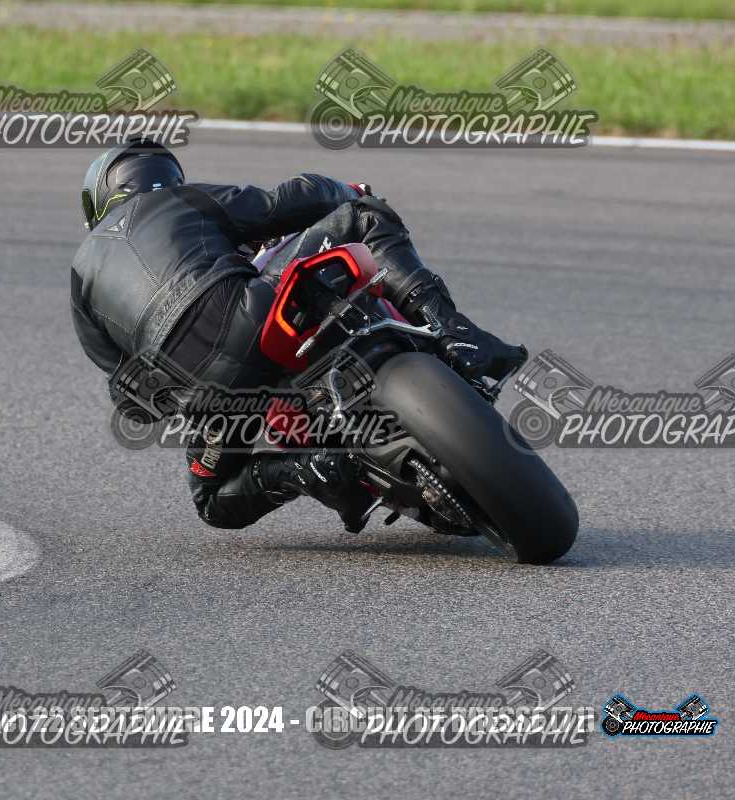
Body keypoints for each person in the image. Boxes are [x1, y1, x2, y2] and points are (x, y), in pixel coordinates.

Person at [71, 139, 525, 533]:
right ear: (164, 177)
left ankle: (309, 468)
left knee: (211, 499)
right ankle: (455, 336)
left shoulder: (81, 277)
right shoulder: (182, 200)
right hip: (247, 315)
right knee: (365, 217)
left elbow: (132, 401)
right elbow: (285, 201)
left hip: (203, 394)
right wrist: (351, 191)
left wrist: (187, 399)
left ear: (100, 200)